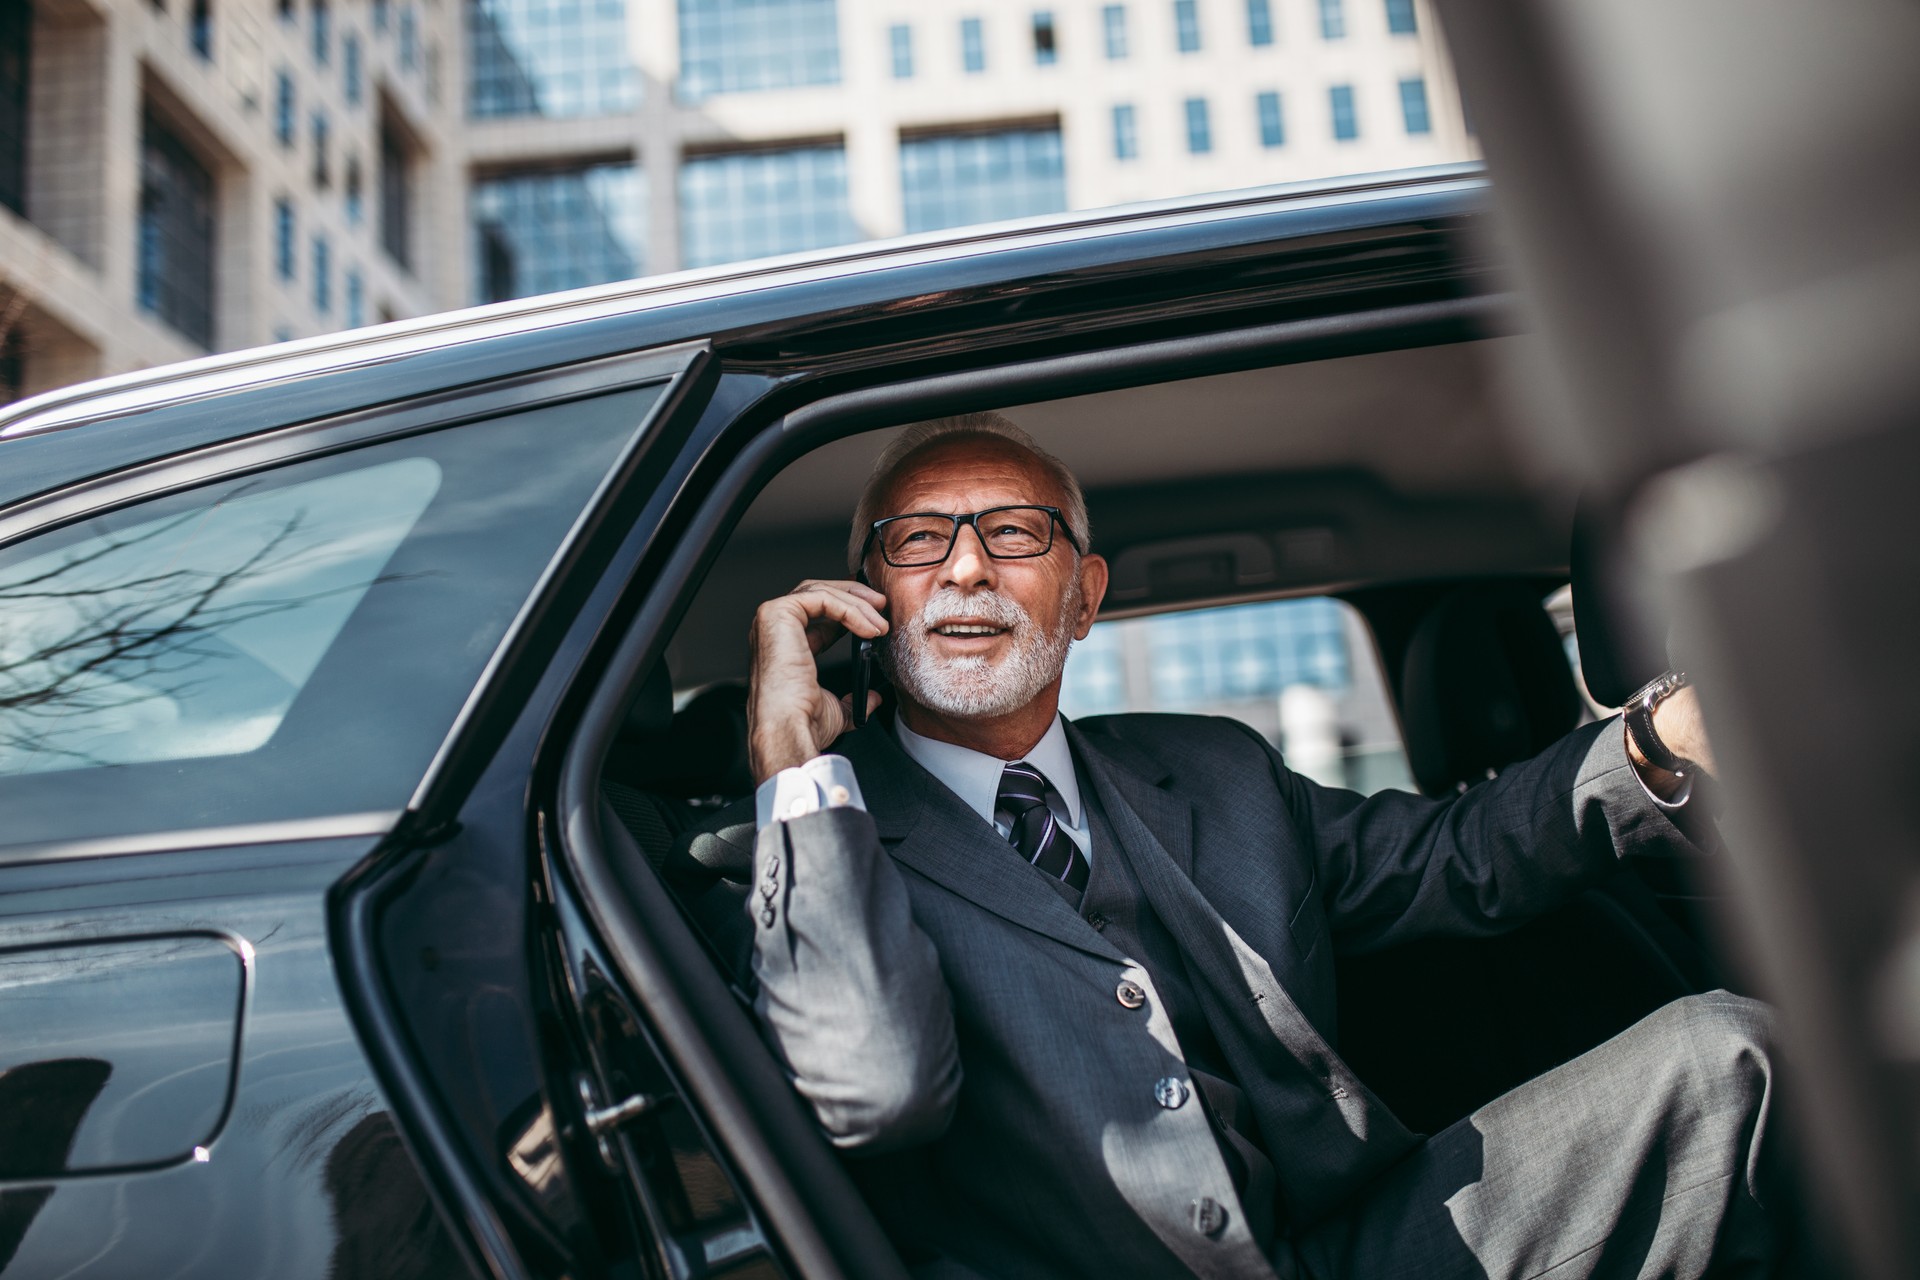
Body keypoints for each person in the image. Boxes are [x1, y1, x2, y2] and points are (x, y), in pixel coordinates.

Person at [732, 412, 1776, 1279]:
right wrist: (794, 763)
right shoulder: (821, 836)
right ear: (872, 600)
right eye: (918, 539)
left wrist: (1647, 743)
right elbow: (877, 1085)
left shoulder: (1217, 770)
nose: (965, 566)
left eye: (1013, 532)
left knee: (1732, 1057)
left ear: (1085, 594)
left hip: (1344, 1250)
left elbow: (1458, 852)